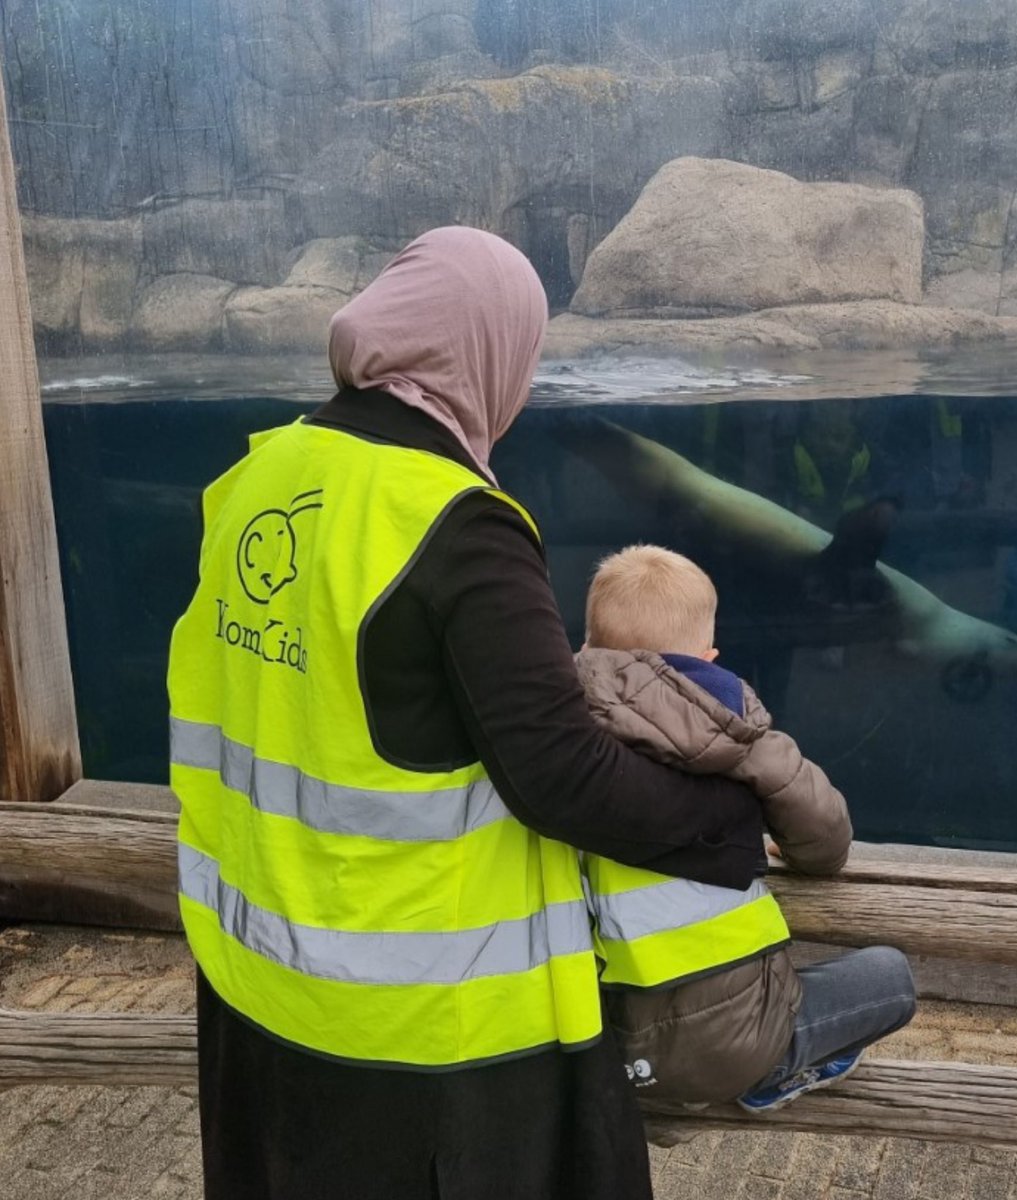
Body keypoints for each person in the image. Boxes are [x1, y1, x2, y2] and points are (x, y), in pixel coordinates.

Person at [166, 227, 770, 1200]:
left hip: (257, 997)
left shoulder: (257, 478)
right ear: (487, 351)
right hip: (430, 1049)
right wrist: (728, 816)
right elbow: (560, 774)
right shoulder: (459, 524)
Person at [576, 544, 917, 1111]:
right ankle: (774, 1077)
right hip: (738, 1050)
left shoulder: (555, 742)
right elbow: (828, 843)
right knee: (892, 976)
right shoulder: (744, 739)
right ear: (709, 658)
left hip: (605, 1046)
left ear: (588, 646)